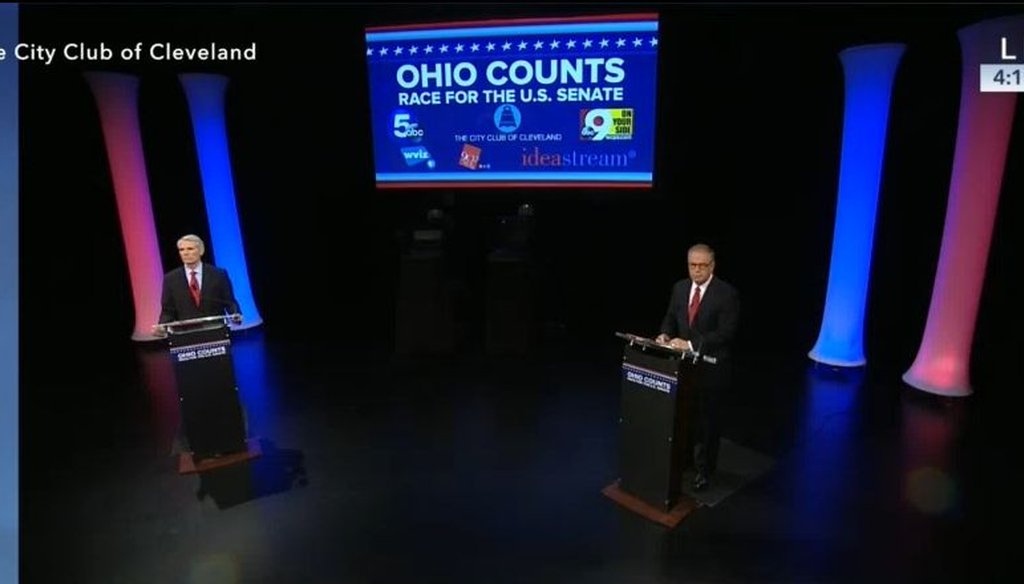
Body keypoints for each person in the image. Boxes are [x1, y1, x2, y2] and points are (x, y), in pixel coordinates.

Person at [655, 243, 740, 491]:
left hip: (712, 369)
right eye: (693, 265)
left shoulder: (727, 294)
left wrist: (691, 344)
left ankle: (704, 471)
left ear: (712, 266)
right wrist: (664, 335)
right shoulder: (680, 288)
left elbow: (726, 333)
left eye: (703, 265)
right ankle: (684, 463)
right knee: (684, 417)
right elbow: (671, 317)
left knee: (707, 423)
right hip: (683, 367)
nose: (697, 270)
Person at [153, 234, 241, 333]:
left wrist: (235, 315)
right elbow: (168, 310)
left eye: (190, 249)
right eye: (181, 250)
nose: (185, 253)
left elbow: (229, 302)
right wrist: (161, 326)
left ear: (201, 251)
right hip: (186, 334)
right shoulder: (171, 279)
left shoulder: (218, 274)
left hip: (216, 330)